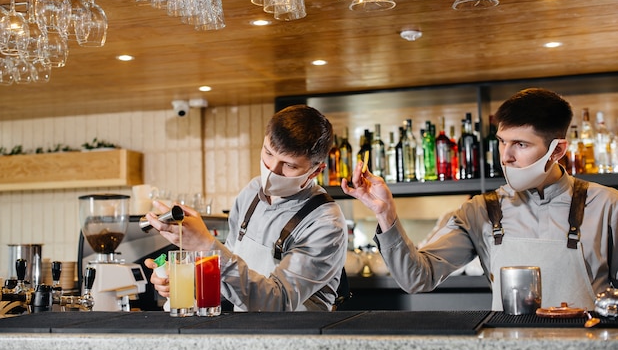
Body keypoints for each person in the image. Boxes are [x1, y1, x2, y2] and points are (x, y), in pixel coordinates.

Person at [342, 88, 618, 310]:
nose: (506, 156)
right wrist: (386, 214)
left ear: (557, 150)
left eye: (521, 144)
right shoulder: (482, 210)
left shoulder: (607, 205)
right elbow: (418, 278)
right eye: (501, 141)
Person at [144, 104, 347, 312]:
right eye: (268, 154)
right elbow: (231, 280)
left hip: (295, 338)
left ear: (315, 171)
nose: (272, 171)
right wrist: (188, 283)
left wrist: (206, 246)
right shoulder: (251, 193)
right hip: (244, 333)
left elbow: (279, 302)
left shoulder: (325, 222)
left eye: (289, 165)